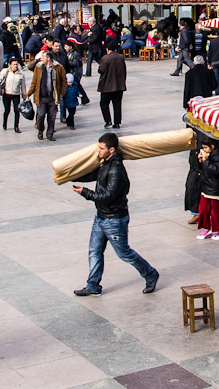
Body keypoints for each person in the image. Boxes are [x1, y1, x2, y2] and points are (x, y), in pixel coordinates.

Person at [71, 133, 159, 296]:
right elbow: (94, 175)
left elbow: (108, 197)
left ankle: (151, 274)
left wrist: (85, 193)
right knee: (94, 251)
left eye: (101, 148)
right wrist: (71, 176)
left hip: (114, 219)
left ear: (111, 150)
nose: (98, 151)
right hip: (101, 217)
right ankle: (93, 285)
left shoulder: (117, 170)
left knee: (124, 253)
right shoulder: (105, 163)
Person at [27, 50, 67, 141]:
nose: (41, 59)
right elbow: (34, 82)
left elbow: (64, 81)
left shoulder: (58, 67)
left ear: (48, 58)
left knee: (52, 117)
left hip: (53, 97)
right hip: (42, 96)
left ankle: (50, 134)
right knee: (40, 115)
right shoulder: (38, 67)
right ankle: (40, 130)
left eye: (43, 57)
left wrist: (61, 93)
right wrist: (29, 93)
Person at [196, 138, 219, 240]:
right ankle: (207, 228)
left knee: (215, 211)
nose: (204, 150)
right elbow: (202, 169)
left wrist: (205, 162)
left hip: (215, 189)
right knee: (204, 209)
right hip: (206, 187)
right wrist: (200, 161)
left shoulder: (218, 157)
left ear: (212, 147)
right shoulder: (209, 156)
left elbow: (216, 170)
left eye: (206, 147)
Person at [97, 41, 126, 129]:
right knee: (117, 104)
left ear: (107, 50)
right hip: (119, 85)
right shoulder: (121, 57)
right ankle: (117, 123)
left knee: (104, 103)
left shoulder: (106, 58)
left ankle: (108, 120)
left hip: (107, 86)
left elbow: (101, 70)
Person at [0, 57, 26, 132]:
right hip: (7, 94)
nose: (15, 66)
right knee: (7, 110)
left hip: (16, 94)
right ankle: (5, 123)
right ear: (10, 65)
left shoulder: (21, 74)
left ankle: (16, 126)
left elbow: (23, 85)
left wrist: (24, 95)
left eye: (16, 64)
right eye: (14, 64)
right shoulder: (5, 71)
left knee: (17, 111)